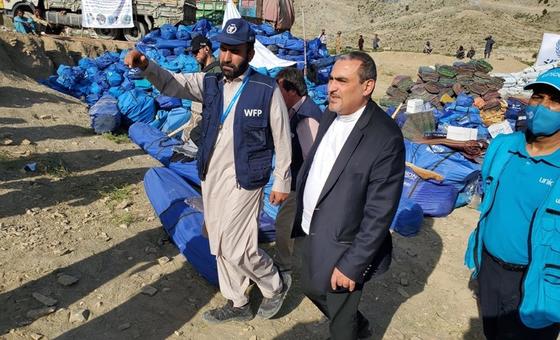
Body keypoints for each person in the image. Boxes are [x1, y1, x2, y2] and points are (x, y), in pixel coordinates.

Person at [124, 18, 292, 323]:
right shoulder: (210, 83)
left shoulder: (265, 90)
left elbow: (282, 139)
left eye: (235, 51)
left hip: (245, 179)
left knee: (237, 247)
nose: (226, 57)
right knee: (217, 241)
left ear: (250, 54)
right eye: (223, 49)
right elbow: (171, 83)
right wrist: (147, 65)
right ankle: (238, 301)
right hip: (212, 176)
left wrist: (282, 180)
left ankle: (274, 283)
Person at [292, 51, 405, 340]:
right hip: (310, 227)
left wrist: (352, 264)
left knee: (340, 323)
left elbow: (380, 211)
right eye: (331, 79)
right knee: (309, 285)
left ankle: (351, 330)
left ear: (367, 87)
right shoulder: (332, 112)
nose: (331, 87)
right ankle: (358, 326)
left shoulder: (385, 136)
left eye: (342, 80)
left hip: (343, 243)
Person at [465, 67, 560, 340]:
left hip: (536, 281)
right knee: (492, 332)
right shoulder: (504, 146)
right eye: (538, 97)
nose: (542, 107)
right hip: (490, 268)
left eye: (554, 101)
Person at [273, 67, 322, 286]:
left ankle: (283, 267)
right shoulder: (296, 110)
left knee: (283, 224)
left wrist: (297, 192)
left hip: (299, 184)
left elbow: (312, 161)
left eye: (279, 91)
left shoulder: (306, 118)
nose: (276, 96)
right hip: (296, 182)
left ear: (291, 90)